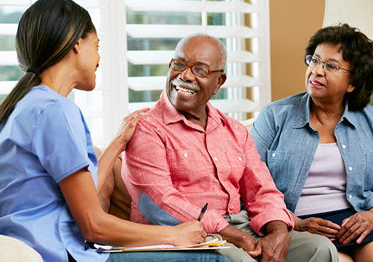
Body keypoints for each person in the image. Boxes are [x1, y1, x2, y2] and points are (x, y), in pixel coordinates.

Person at [0, 0, 230, 262]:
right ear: (77, 44)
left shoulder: (21, 106)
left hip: (38, 245)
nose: (99, 57)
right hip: (61, 253)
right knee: (210, 259)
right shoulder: (55, 110)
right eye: (97, 46)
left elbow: (82, 197)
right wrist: (174, 234)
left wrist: (119, 142)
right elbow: (92, 225)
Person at [121, 33, 339, 262]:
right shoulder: (146, 127)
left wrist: (278, 231)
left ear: (219, 82)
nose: (185, 75)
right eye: (179, 64)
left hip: (241, 226)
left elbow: (262, 189)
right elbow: (158, 203)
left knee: (319, 249)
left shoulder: (234, 130)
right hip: (187, 236)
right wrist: (233, 235)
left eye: (200, 70)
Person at [250, 23, 373, 262]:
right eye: (314, 60)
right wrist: (294, 223)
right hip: (297, 223)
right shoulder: (274, 116)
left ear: (353, 83)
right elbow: (248, 188)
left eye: (331, 66)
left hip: (358, 222)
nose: (317, 71)